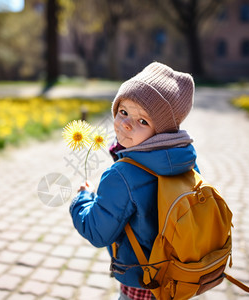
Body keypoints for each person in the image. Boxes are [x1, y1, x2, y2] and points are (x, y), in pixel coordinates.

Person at [69, 62, 198, 300]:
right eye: (123, 112)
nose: (126, 123)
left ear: (161, 132)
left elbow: (97, 231)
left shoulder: (122, 175)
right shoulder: (185, 161)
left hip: (141, 279)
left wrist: (82, 198)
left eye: (143, 121)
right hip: (176, 275)